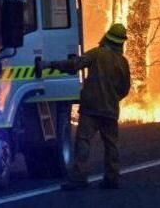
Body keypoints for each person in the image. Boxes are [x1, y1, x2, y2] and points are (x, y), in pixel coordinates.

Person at [48, 23, 131, 190]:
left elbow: (74, 64)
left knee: (83, 141)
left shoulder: (97, 54)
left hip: (91, 108)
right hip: (110, 110)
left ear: (107, 37)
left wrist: (51, 64)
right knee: (111, 144)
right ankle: (112, 178)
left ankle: (79, 178)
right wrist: (113, 98)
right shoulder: (123, 62)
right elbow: (125, 88)